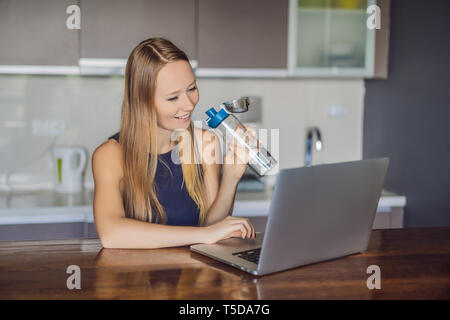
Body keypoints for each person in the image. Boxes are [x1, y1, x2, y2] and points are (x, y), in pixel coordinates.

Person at [92, 37, 256, 249]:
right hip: (136, 279)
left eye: (192, 88)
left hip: (194, 278)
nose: (188, 105)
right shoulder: (110, 155)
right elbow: (111, 235)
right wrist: (206, 234)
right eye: (173, 98)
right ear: (142, 102)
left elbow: (212, 230)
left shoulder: (205, 142)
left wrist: (232, 177)